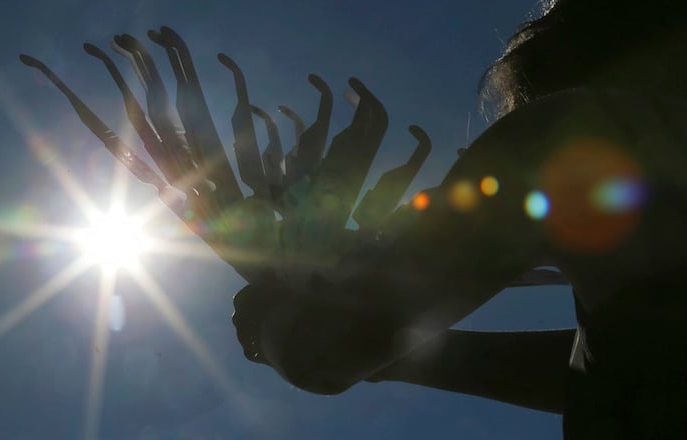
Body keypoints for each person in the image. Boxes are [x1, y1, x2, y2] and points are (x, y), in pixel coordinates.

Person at [231, 1, 687, 438]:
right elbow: (619, 368)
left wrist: (278, 323)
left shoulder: (562, 136)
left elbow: (322, 355)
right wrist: (396, 356)